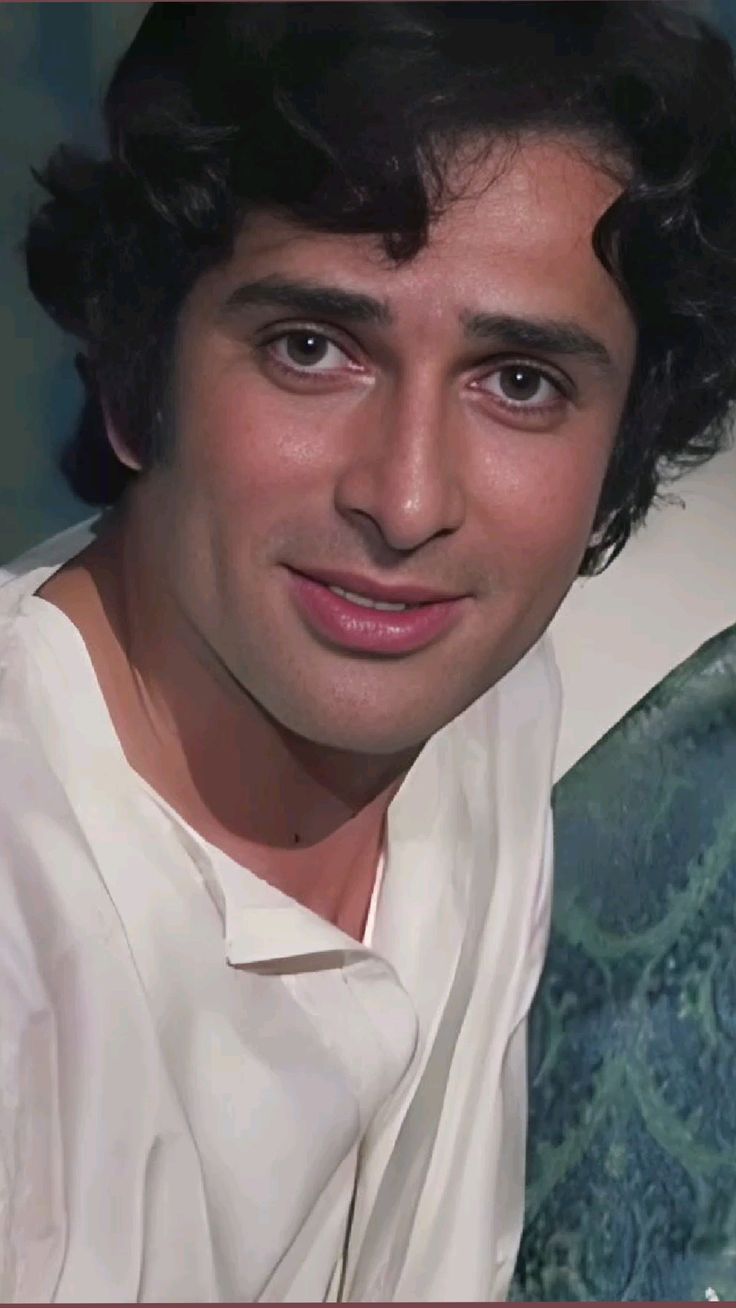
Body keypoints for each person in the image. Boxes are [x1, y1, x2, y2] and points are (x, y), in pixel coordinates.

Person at [3, 2, 736, 1300]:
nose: (405, 504)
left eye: (519, 381)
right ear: (132, 377)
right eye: (312, 349)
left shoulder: (482, 709)